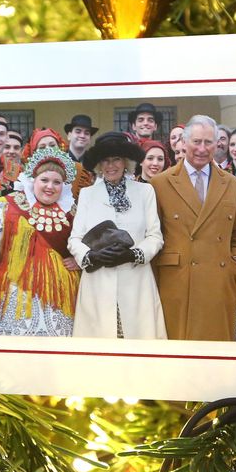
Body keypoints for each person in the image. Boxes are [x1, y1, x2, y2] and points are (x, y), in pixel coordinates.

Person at [149, 115, 236, 341]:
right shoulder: (160, 183)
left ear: (217, 144)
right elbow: (152, 235)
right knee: (176, 358)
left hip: (218, 281)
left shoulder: (233, 185)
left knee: (215, 359)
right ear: (183, 143)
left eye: (208, 142)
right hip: (176, 282)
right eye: (196, 141)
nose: (202, 149)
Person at [69, 133, 166, 339]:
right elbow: (74, 239)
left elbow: (155, 236)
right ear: (98, 164)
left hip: (137, 281)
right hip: (98, 282)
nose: (110, 166)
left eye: (116, 159)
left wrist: (134, 254)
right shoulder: (87, 194)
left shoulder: (145, 191)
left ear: (126, 162)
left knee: (140, 349)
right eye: (105, 160)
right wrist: (91, 257)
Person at [0, 147, 81, 336]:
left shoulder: (74, 213)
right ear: (33, 180)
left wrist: (80, 260)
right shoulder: (6, 206)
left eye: (56, 182)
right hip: (15, 296)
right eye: (44, 180)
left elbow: (88, 247)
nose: (50, 186)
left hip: (58, 299)